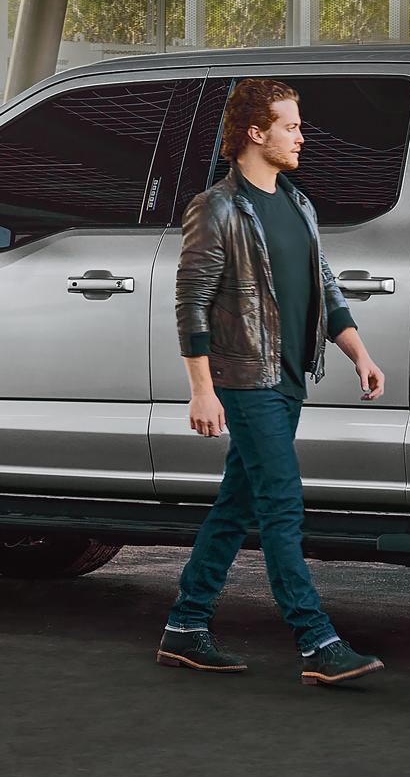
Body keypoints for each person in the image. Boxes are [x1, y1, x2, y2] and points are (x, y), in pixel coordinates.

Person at [158, 78, 387, 684]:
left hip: (288, 378)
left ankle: (185, 625)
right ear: (255, 134)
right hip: (245, 379)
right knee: (282, 507)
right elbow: (192, 305)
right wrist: (201, 390)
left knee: (236, 507)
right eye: (290, 126)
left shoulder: (296, 203)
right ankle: (315, 641)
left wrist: (358, 353)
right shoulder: (218, 208)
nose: (301, 136)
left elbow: (325, 287)